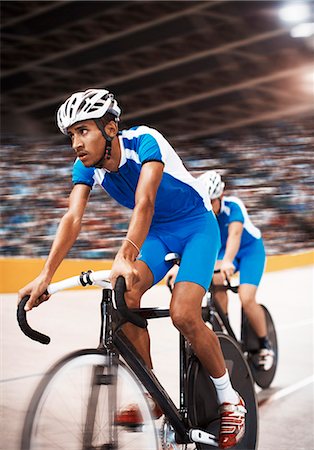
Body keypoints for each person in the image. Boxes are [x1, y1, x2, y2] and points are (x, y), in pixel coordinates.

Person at [18, 89, 246, 449]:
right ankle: (153, 393)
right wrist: (45, 276)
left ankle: (230, 397)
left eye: (84, 131)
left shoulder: (145, 142)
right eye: (72, 134)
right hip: (158, 234)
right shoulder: (86, 167)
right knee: (124, 292)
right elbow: (72, 218)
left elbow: (145, 201)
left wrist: (125, 253)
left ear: (110, 128)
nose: (76, 142)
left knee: (184, 313)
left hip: (196, 227)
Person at [168, 170, 274, 370]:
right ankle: (225, 330)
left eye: (212, 201)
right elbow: (191, 240)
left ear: (221, 197)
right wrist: (178, 267)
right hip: (223, 252)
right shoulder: (202, 212)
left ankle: (264, 344)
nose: (208, 205)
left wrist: (227, 261)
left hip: (249, 251)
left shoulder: (233, 206)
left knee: (246, 298)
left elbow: (234, 235)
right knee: (216, 287)